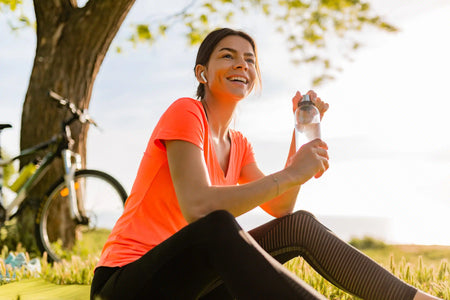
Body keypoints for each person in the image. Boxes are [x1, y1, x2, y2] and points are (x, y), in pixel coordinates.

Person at [90, 28, 441, 300]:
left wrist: (302, 131)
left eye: (250, 59)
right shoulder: (187, 111)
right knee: (218, 224)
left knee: (298, 224)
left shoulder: (239, 144)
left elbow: (281, 206)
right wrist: (291, 172)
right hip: (128, 282)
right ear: (202, 73)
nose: (242, 64)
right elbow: (197, 206)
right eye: (227, 56)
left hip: (193, 285)